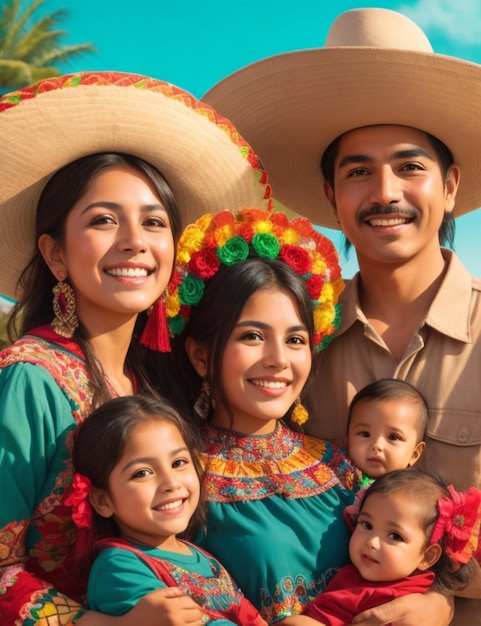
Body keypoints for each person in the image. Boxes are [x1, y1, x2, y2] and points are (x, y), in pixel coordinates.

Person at [201, 7, 481, 623]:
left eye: (410, 166)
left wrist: (439, 599)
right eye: (358, 171)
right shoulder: (296, 345)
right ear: (332, 194)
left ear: (451, 184)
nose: (384, 192)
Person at [0, 71, 271, 626]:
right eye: (103, 220)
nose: (134, 241)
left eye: (154, 222)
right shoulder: (30, 378)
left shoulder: (157, 380)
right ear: (55, 255)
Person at [157, 206, 355, 623]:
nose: (279, 360)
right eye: (252, 336)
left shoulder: (338, 464)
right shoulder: (179, 479)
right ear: (199, 354)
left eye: (295, 339)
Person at [68, 394, 267, 626]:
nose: (171, 483)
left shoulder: (198, 555)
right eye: (142, 473)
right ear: (103, 501)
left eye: (178, 463)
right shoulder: (118, 568)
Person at [279, 470, 481, 626]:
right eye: (366, 525)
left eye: (395, 536)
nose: (372, 541)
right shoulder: (369, 578)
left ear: (428, 557)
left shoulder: (394, 600)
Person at [347, 378, 427, 482]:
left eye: (393, 437)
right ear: (348, 440)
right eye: (365, 434)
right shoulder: (331, 470)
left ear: (414, 454)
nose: (377, 445)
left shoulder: (412, 494)